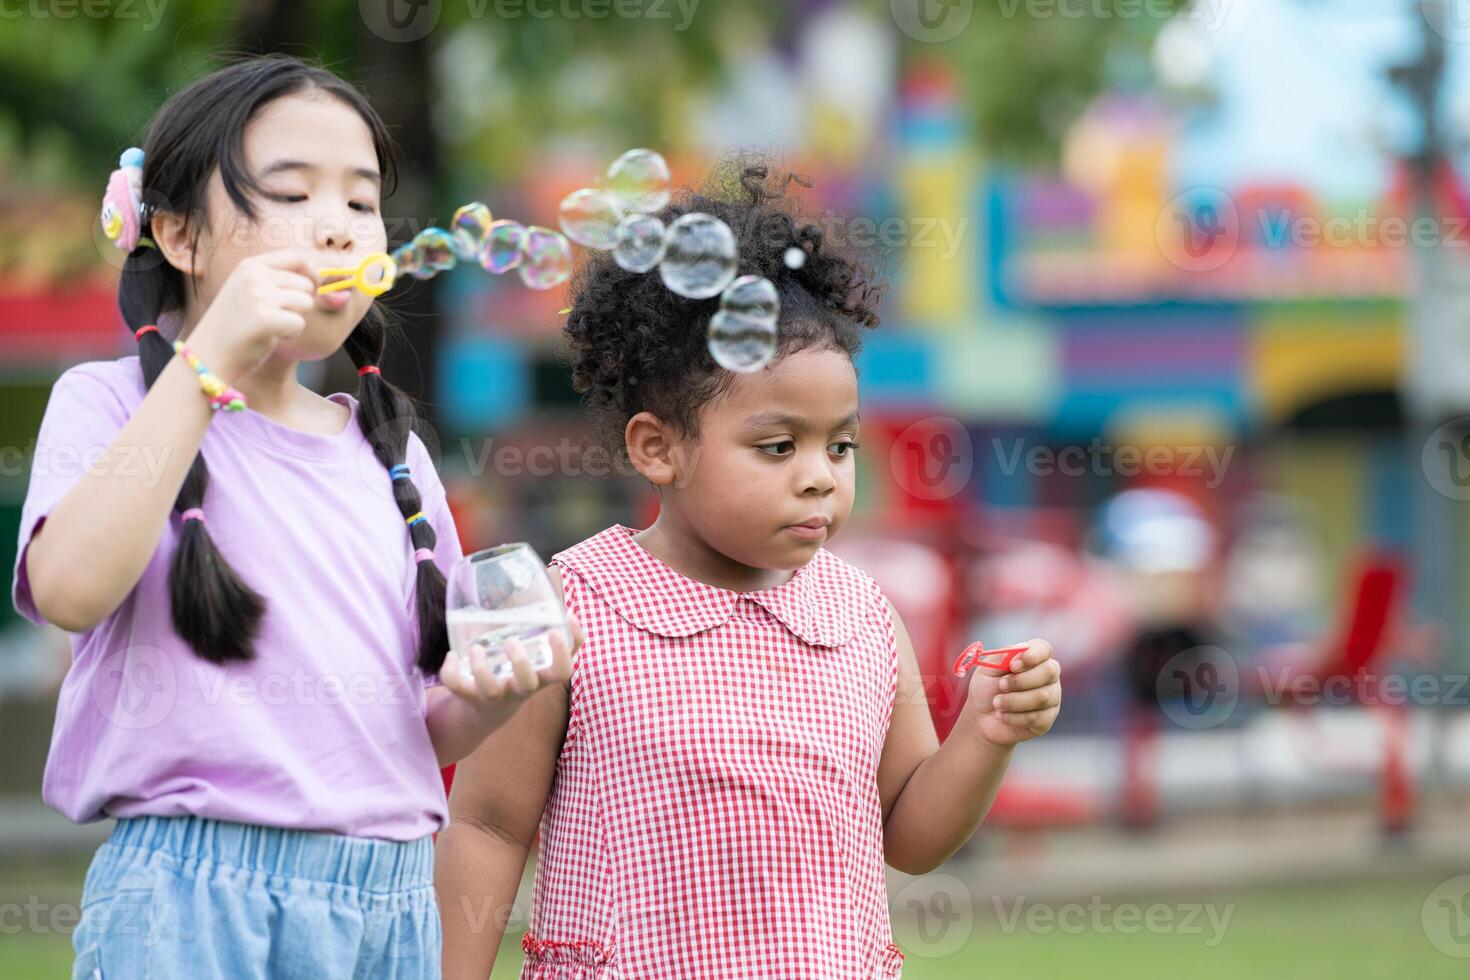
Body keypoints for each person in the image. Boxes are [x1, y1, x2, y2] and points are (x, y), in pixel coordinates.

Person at [12, 55, 570, 980]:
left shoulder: (393, 454)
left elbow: (413, 728)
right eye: (291, 194)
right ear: (179, 234)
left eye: (359, 205)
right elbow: (69, 589)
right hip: (198, 896)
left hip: (390, 902)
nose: (338, 229)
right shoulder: (108, 405)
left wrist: (489, 701)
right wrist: (211, 361)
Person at [437, 163, 1063, 978]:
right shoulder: (572, 607)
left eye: (840, 445)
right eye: (778, 446)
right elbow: (486, 824)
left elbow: (908, 834)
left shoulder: (863, 616)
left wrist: (986, 734)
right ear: (658, 448)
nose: (819, 475)